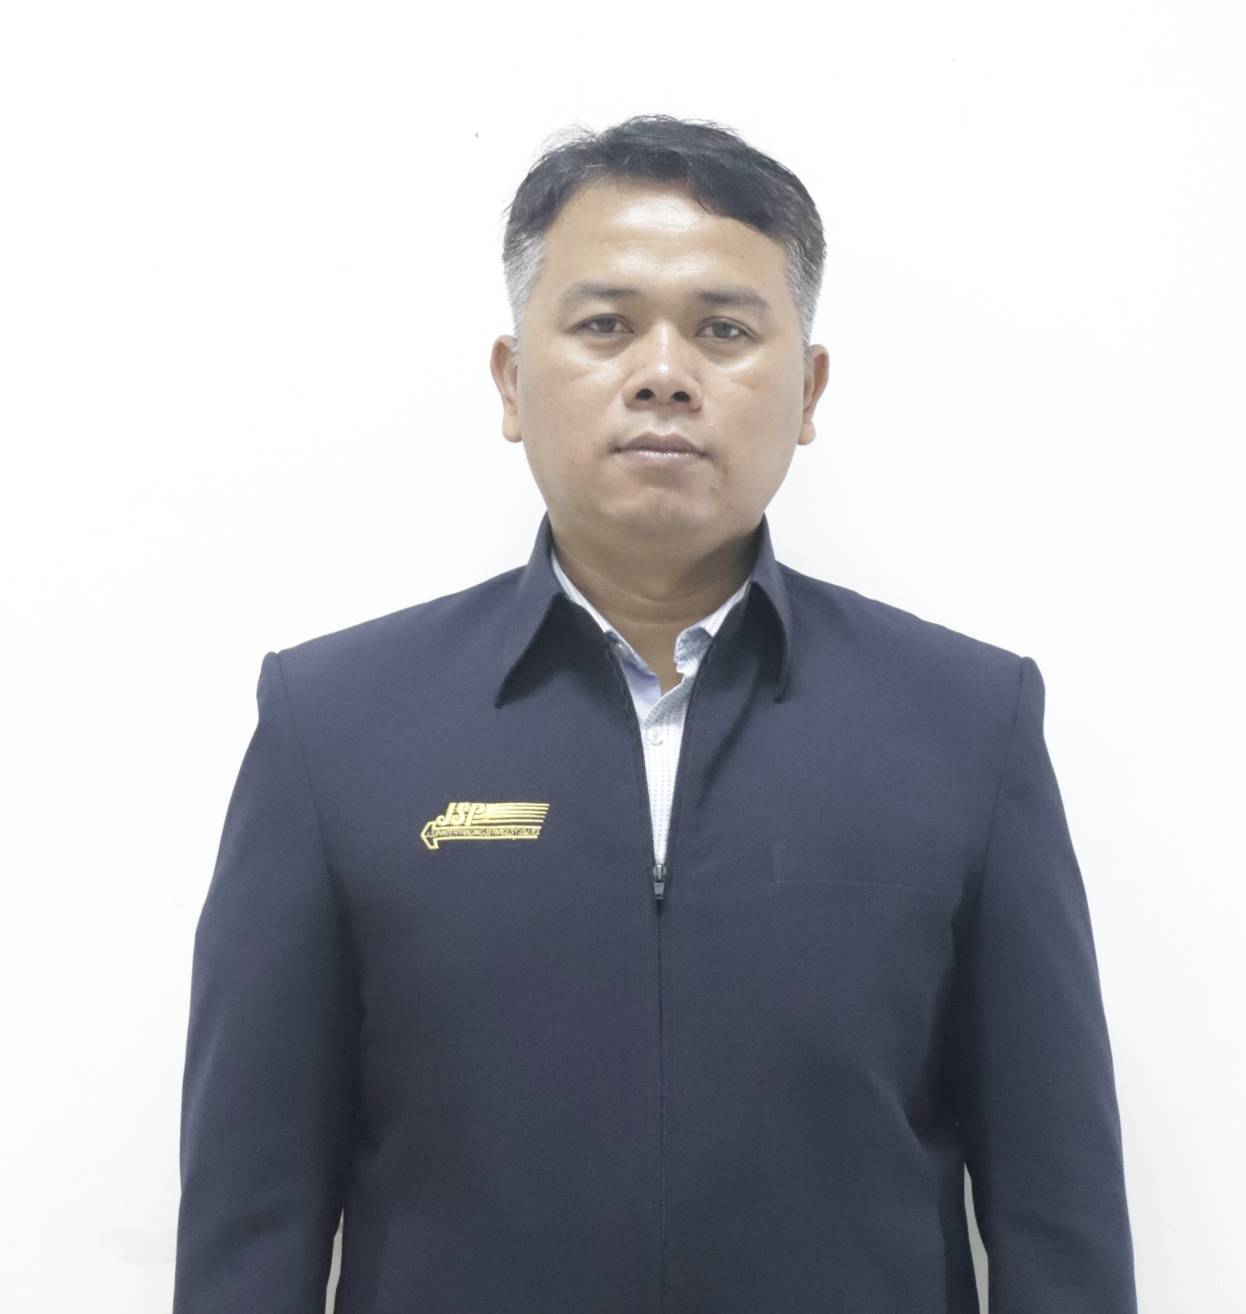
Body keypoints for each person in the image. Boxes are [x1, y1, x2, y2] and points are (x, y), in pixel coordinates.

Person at [172, 113, 1138, 1312]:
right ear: (513, 381)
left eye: (724, 330)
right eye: (605, 325)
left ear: (806, 389)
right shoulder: (335, 726)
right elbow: (251, 1214)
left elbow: (1057, 1209)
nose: (664, 372)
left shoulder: (965, 723)